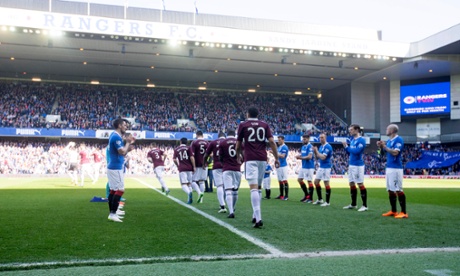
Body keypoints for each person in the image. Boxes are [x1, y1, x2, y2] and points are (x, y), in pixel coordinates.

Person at [236, 106, 279, 228]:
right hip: (262, 158)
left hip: (250, 158)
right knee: (259, 188)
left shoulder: (243, 125)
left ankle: (258, 218)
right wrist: (276, 158)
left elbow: (238, 144)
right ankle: (255, 215)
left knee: (253, 188)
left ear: (248, 114)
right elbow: (271, 142)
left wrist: (239, 156)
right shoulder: (264, 124)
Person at [107, 118, 135, 222]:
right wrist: (128, 143)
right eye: (124, 125)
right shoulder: (116, 137)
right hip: (116, 167)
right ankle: (113, 213)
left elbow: (122, 152)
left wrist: (128, 149)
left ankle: (113, 212)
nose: (126, 127)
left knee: (113, 190)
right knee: (120, 190)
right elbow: (122, 152)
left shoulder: (114, 135)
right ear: (119, 125)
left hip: (113, 166)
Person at [377, 124, 408, 219]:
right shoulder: (389, 141)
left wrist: (385, 147)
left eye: (387, 129)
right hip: (389, 167)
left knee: (398, 189)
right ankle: (393, 211)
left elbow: (395, 152)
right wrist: (381, 146)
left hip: (396, 168)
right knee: (390, 190)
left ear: (392, 130)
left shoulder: (399, 140)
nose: (386, 130)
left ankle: (403, 212)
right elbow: (383, 153)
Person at [342, 124, 368, 212]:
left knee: (360, 184)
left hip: (358, 165)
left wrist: (346, 147)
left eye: (352, 130)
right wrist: (347, 148)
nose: (350, 131)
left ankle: (364, 205)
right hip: (352, 164)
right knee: (351, 183)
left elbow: (356, 152)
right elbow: (351, 152)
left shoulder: (361, 140)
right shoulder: (353, 140)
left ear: (357, 130)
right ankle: (353, 204)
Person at [219, 129, 242, 218]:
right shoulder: (238, 141)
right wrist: (239, 163)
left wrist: (223, 164)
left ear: (227, 134)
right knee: (235, 191)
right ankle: (233, 207)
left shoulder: (223, 142)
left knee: (228, 190)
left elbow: (220, 156)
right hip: (237, 169)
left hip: (227, 168)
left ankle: (231, 211)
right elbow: (243, 155)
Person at [203, 131, 227, 213]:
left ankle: (222, 205)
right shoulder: (228, 142)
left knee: (219, 186)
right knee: (226, 187)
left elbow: (206, 155)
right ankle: (229, 205)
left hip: (217, 166)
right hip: (227, 166)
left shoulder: (213, 143)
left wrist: (204, 163)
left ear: (218, 136)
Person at [312, 133, 333, 207]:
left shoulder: (328, 146)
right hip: (321, 167)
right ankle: (320, 199)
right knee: (316, 182)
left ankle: (327, 202)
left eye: (322, 137)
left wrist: (317, 152)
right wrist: (315, 152)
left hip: (326, 167)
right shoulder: (321, 146)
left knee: (326, 183)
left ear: (325, 138)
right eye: (320, 138)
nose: (321, 139)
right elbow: (317, 157)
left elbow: (323, 157)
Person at [173, 137, 196, 204]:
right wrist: (194, 166)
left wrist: (177, 165)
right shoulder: (189, 148)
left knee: (183, 184)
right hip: (189, 168)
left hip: (182, 168)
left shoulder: (176, 149)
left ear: (180, 142)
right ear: (186, 142)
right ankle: (190, 197)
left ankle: (189, 194)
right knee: (189, 184)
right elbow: (192, 157)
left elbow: (174, 159)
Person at [190, 130, 208, 203]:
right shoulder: (207, 143)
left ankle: (199, 193)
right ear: (202, 135)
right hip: (205, 164)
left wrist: (193, 165)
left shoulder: (194, 142)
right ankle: (201, 199)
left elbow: (192, 155)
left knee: (193, 181)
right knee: (202, 181)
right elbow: (210, 154)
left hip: (197, 164)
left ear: (197, 135)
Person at [296, 134, 315, 203]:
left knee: (309, 181)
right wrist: (299, 156)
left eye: (305, 139)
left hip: (309, 167)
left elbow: (309, 157)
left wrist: (300, 158)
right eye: (303, 139)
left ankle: (311, 198)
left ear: (308, 139)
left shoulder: (310, 146)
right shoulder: (303, 147)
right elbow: (303, 155)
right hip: (303, 166)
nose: (304, 140)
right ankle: (307, 195)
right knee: (299, 180)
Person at [273, 135, 289, 200]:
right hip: (279, 166)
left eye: (279, 140)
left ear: (283, 140)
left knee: (284, 180)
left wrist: (275, 153)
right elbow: (277, 156)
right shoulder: (279, 147)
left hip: (283, 166)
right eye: (278, 140)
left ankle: (286, 196)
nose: (278, 141)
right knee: (280, 180)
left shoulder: (284, 147)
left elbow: (282, 156)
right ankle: (281, 195)